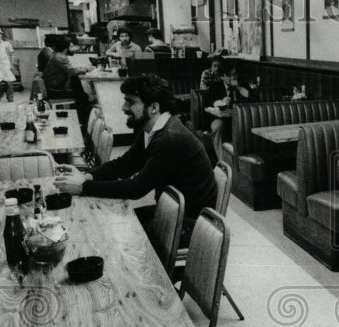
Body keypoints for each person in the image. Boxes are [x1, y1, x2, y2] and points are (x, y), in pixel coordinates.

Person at [54, 73, 217, 241]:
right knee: (106, 225)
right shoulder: (154, 128)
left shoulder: (169, 138)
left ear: (153, 107)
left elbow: (136, 188)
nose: (124, 107)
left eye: (130, 102)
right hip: (173, 212)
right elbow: (126, 164)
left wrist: (83, 187)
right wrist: (85, 176)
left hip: (191, 224)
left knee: (111, 236)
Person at [40, 34, 93, 131]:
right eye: (71, 46)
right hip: (54, 90)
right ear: (66, 48)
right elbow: (72, 71)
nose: (74, 49)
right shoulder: (61, 57)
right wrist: (87, 68)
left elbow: (70, 69)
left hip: (52, 87)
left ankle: (79, 121)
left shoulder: (58, 56)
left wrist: (82, 68)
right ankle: (83, 124)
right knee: (84, 97)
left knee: (81, 94)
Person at [200, 60, 244, 161]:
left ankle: (239, 162)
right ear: (222, 76)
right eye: (229, 75)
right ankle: (222, 161)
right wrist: (220, 102)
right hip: (217, 118)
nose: (233, 78)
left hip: (236, 118)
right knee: (218, 127)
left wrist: (240, 89)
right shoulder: (215, 86)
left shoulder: (239, 86)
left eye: (235, 75)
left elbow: (254, 98)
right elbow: (207, 102)